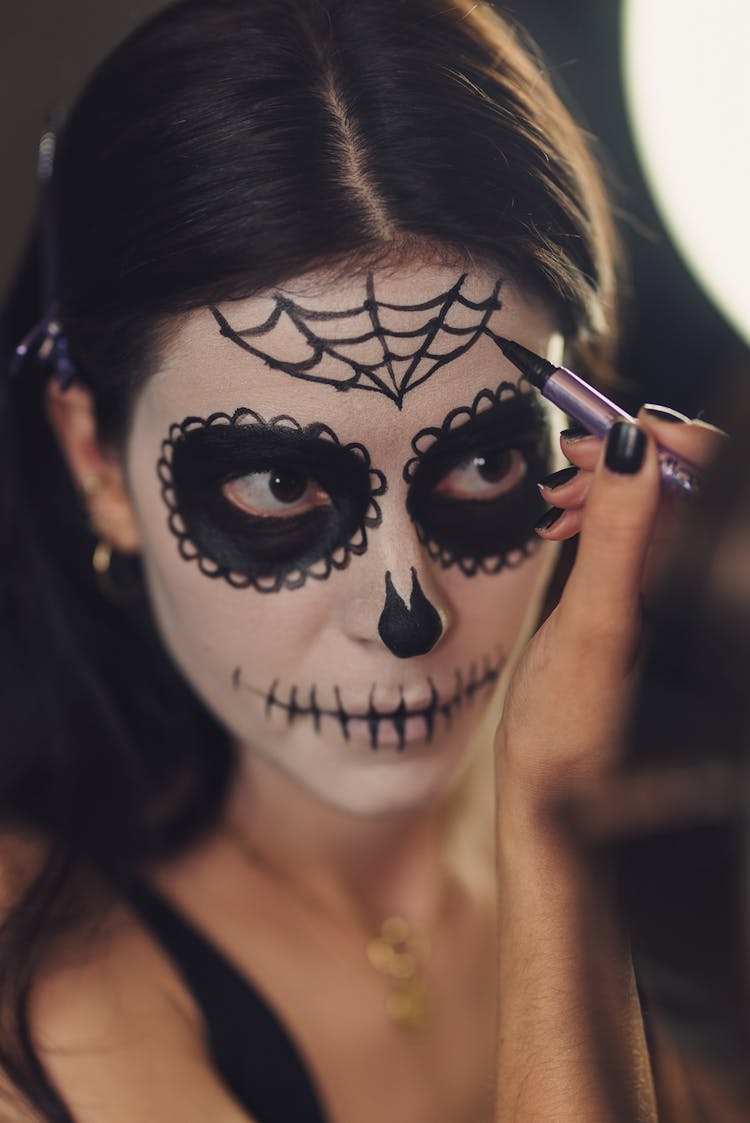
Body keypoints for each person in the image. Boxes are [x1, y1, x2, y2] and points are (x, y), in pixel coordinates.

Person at [0, 1, 724, 1120]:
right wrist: (551, 823)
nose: (406, 612)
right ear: (97, 461)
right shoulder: (30, 951)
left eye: (483, 466)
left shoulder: (702, 827)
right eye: (281, 486)